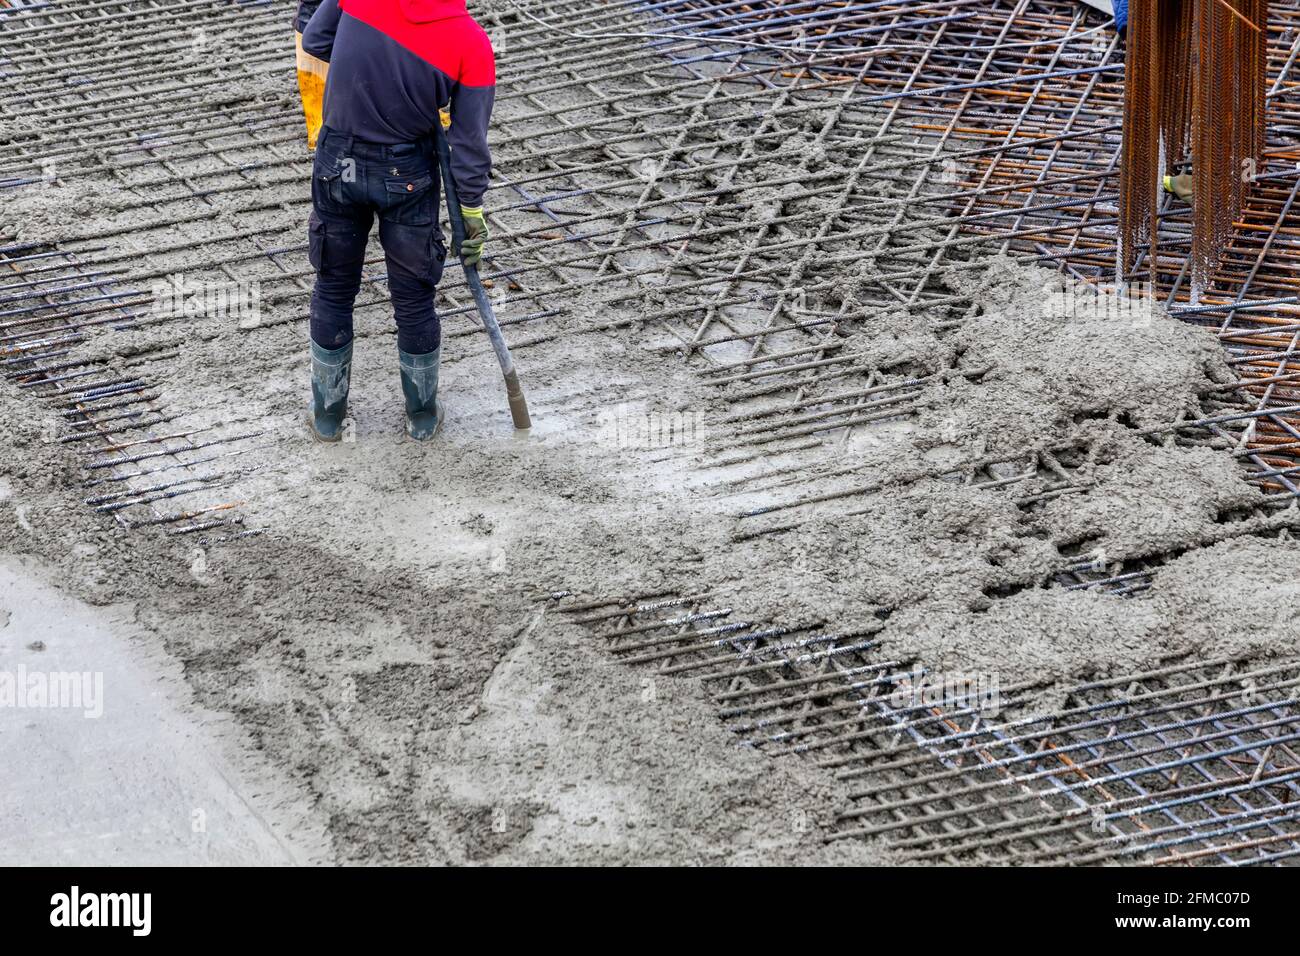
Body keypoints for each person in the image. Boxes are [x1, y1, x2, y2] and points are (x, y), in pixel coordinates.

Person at [300, 0, 495, 441]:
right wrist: (471, 210)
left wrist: (368, 64)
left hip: (338, 163)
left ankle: (328, 418)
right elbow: (469, 143)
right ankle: (421, 418)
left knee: (333, 286)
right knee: (413, 299)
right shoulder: (472, 42)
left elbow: (315, 39)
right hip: (406, 172)